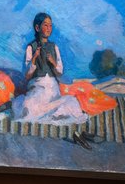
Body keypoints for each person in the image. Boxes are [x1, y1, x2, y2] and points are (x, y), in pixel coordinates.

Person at [11, 12, 117, 148]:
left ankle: (81, 133)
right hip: (37, 88)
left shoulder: (54, 47)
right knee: (28, 107)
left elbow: (60, 71)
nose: (48, 28)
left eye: (50, 25)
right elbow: (26, 75)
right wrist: (34, 59)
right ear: (37, 28)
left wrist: (53, 62)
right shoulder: (30, 47)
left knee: (70, 103)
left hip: (53, 89)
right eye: (45, 25)